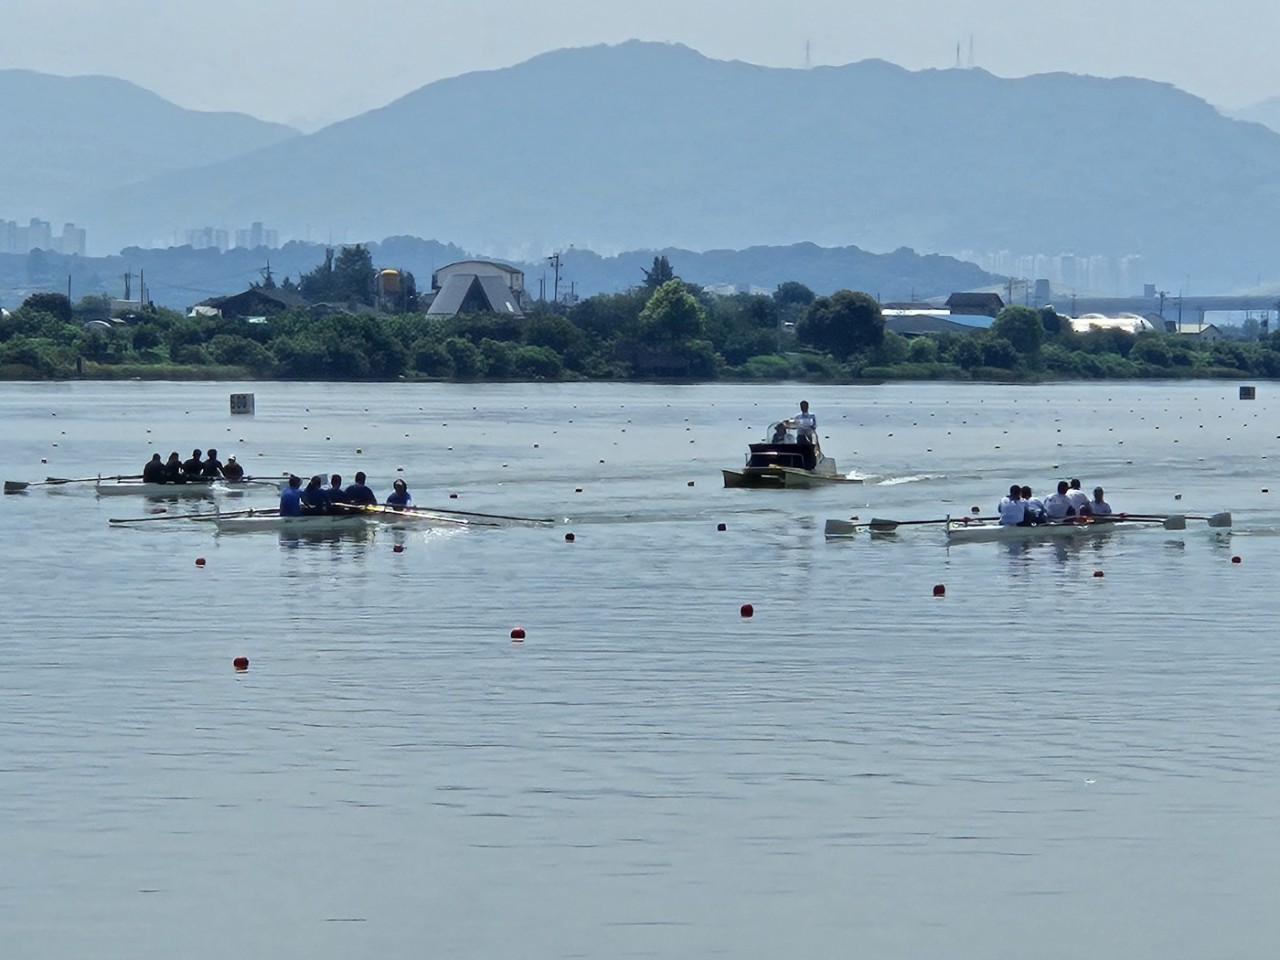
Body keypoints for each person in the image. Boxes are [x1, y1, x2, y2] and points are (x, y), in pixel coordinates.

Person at [794, 400, 818, 468]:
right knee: (800, 448)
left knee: (811, 448)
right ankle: (800, 463)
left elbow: (814, 426)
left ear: (808, 407)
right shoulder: (797, 417)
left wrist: (807, 427)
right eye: (802, 406)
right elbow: (794, 425)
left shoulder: (812, 416)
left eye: (804, 406)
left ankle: (812, 463)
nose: (803, 408)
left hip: (809, 434)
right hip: (801, 435)